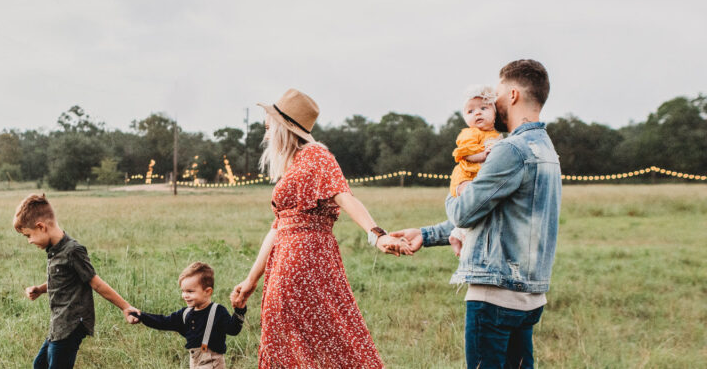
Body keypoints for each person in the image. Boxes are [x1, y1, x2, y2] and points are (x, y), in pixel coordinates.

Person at [391, 59, 561, 369]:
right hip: (530, 296)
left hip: (495, 295)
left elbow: (466, 212)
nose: (493, 102)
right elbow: (493, 215)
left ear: (512, 95)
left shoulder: (511, 150)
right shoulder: (546, 150)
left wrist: (458, 182)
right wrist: (426, 235)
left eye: (497, 94)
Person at [230, 88, 411, 369]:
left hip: (309, 265)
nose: (266, 137)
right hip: (284, 266)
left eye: (269, 129)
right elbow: (278, 226)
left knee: (334, 339)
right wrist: (251, 281)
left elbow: (345, 196)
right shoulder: (293, 165)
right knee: (290, 341)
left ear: (284, 129)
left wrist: (376, 234)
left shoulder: (316, 156)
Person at [14, 193, 140, 369]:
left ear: (41, 226)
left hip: (71, 324)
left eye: (28, 235)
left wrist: (126, 307)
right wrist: (40, 289)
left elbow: (95, 282)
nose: (29, 241)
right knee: (39, 365)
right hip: (58, 323)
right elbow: (64, 280)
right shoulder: (54, 250)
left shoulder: (73, 251)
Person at [129, 262, 246, 369]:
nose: (185, 295)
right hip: (194, 362)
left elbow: (233, 329)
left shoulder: (217, 311)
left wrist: (239, 310)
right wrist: (142, 316)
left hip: (212, 362)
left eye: (190, 291)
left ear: (208, 291)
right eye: (183, 291)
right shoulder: (185, 313)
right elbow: (163, 322)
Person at [447, 85, 503, 256]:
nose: (477, 113)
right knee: (472, 201)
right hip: (465, 176)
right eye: (470, 111)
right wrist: (482, 155)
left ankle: (457, 234)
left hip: (478, 176)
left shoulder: (496, 135)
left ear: (494, 114)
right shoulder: (471, 133)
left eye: (483, 108)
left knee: (479, 206)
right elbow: (464, 153)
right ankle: (460, 235)